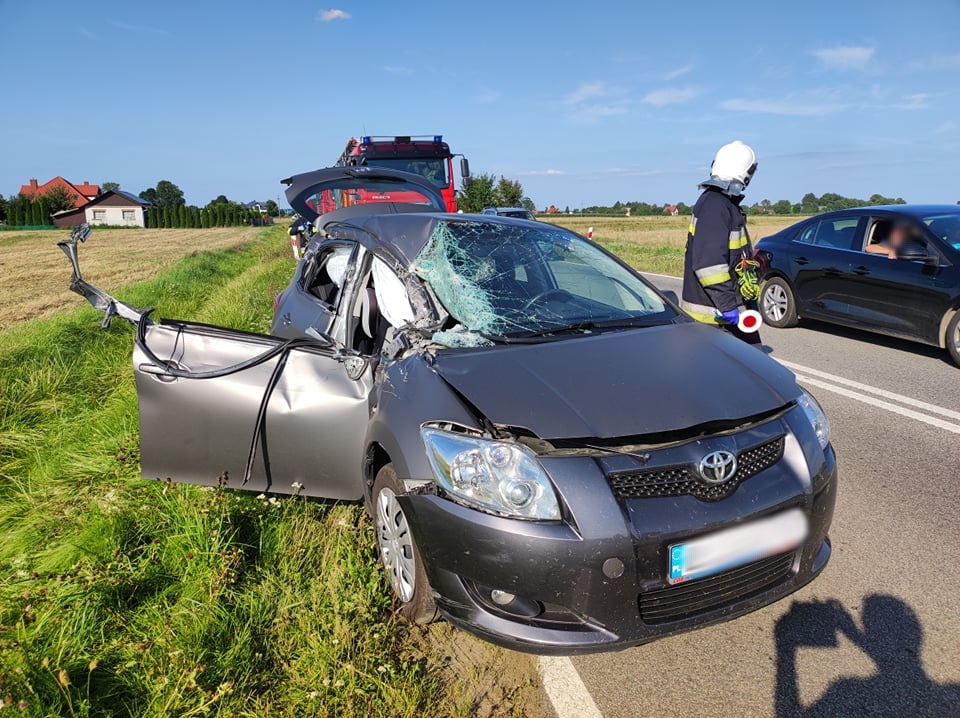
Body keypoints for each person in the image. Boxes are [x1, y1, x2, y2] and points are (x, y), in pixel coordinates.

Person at [681, 140, 761, 346]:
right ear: (746, 173)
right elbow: (709, 265)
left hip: (724, 316)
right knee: (751, 372)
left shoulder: (722, 203)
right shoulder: (715, 206)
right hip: (716, 319)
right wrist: (727, 307)